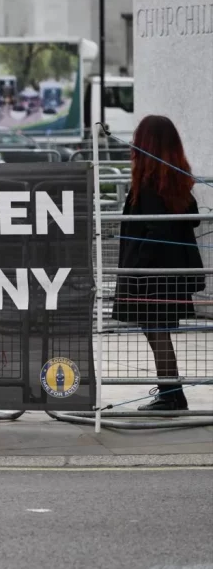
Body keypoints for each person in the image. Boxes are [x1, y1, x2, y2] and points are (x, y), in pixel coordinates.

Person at [111, 115, 206, 412]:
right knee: (157, 331)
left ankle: (171, 395)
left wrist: (135, 267)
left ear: (146, 143)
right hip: (167, 274)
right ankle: (172, 393)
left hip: (151, 276)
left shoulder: (151, 184)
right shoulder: (174, 181)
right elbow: (188, 219)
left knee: (155, 331)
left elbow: (156, 231)